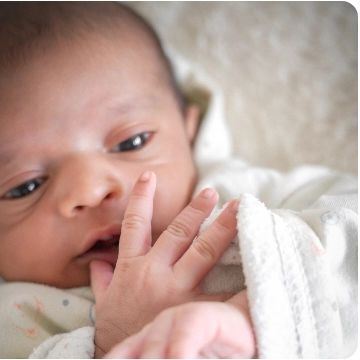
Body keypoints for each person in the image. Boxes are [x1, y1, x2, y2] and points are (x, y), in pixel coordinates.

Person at [0, 2, 356, 358]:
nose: (91, 190)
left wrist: (259, 311)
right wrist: (116, 340)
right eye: (24, 187)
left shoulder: (245, 198)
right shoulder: (16, 313)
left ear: (188, 132)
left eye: (131, 142)